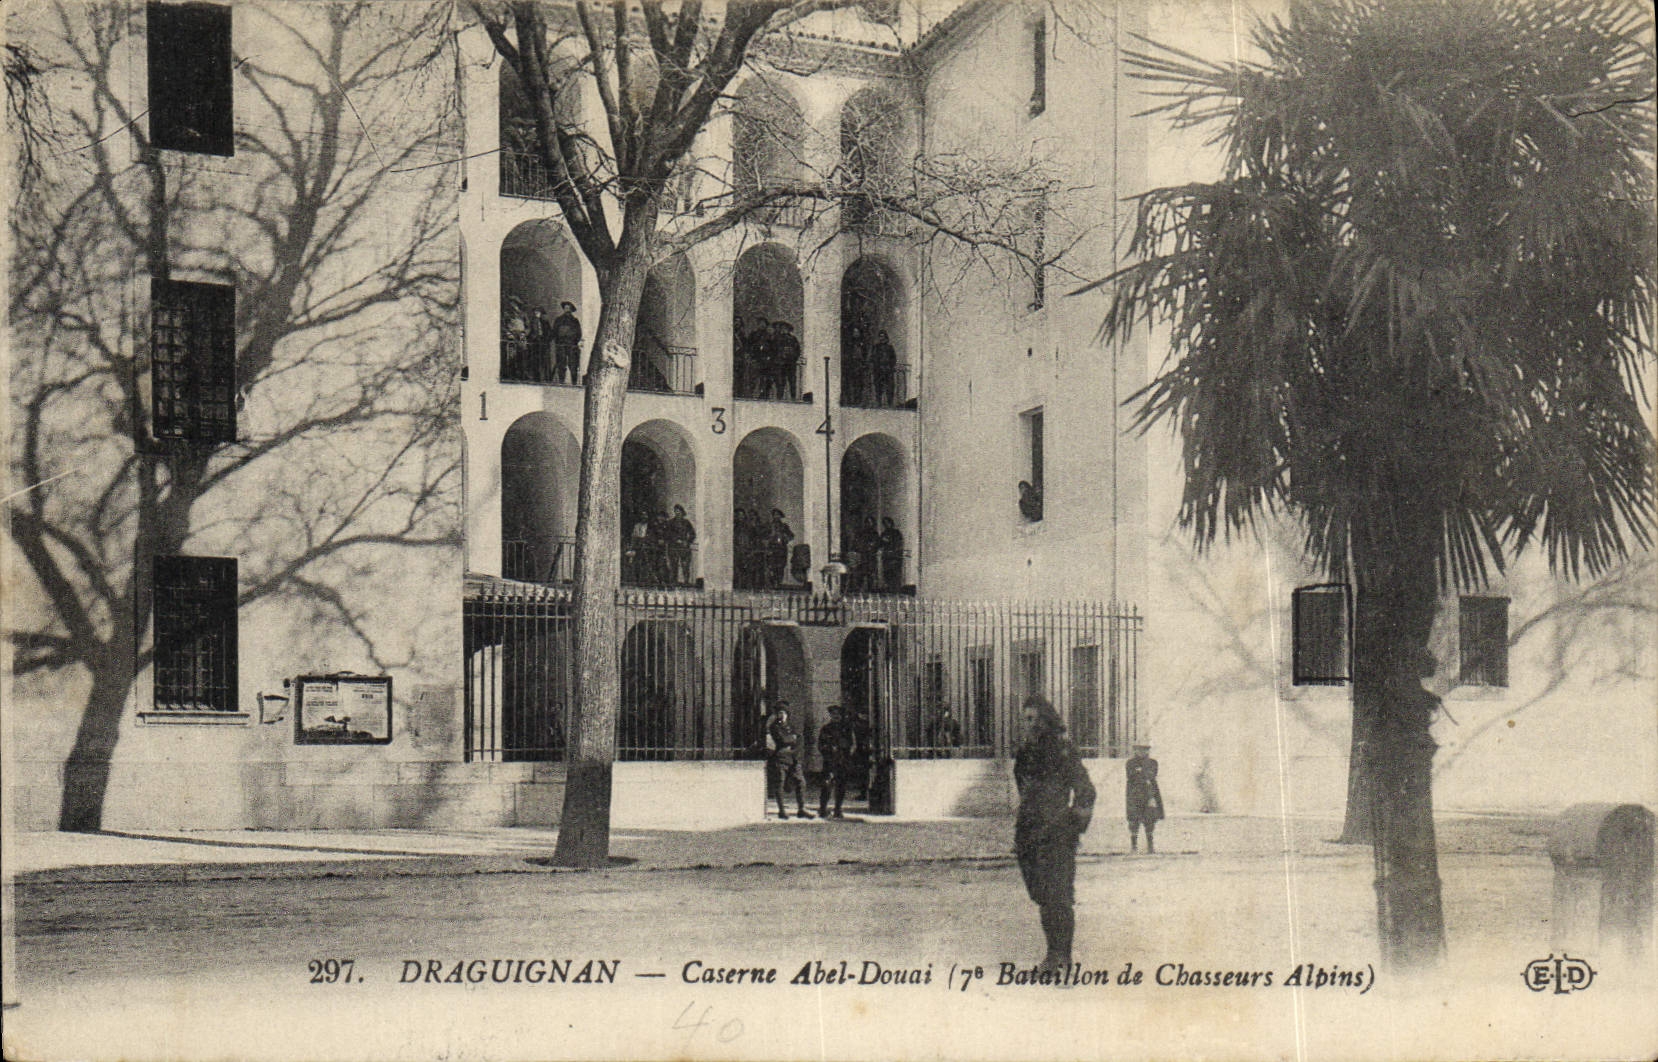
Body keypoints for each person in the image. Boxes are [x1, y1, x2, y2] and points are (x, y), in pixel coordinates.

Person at [1014, 696, 1095, 973]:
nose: (1029, 725)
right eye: (1025, 719)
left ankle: (1060, 956)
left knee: (1058, 895)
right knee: (1041, 893)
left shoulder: (1063, 750)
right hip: (1029, 831)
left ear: (1047, 720)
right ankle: (1054, 953)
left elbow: (1086, 789)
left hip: (1058, 832)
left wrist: (1073, 821)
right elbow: (1022, 788)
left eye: (1034, 719)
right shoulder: (1025, 752)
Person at [766, 703, 812, 820]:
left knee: (801, 782)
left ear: (787, 714)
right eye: (779, 713)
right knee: (780, 783)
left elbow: (800, 740)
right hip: (781, 758)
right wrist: (792, 739)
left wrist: (794, 746)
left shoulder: (792, 726)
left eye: (783, 713)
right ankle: (782, 810)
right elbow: (782, 739)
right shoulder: (774, 727)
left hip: (793, 758)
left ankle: (801, 809)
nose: (781, 715)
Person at [816, 705, 856, 819]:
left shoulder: (847, 729)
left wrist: (847, 755)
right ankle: (823, 809)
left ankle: (838, 809)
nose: (836, 716)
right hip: (830, 761)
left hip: (842, 761)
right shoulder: (826, 729)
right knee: (826, 785)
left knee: (841, 786)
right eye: (833, 714)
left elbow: (853, 744)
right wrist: (828, 752)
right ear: (830, 715)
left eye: (838, 714)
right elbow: (820, 745)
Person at [1125, 742, 1164, 854]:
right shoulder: (1130, 763)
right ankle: (1134, 846)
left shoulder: (1153, 762)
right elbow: (1130, 775)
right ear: (1135, 751)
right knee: (1134, 820)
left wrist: (1140, 772)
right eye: (1139, 750)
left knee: (1150, 819)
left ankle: (1150, 846)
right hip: (1134, 794)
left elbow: (1152, 774)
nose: (1142, 752)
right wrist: (1143, 774)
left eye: (1145, 750)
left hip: (1150, 794)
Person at [552, 301, 583, 385]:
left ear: (571, 310)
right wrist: (558, 341)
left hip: (572, 345)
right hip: (561, 345)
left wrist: (575, 342)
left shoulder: (575, 321)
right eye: (565, 308)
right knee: (561, 364)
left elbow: (579, 333)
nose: (567, 310)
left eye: (568, 308)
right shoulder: (558, 320)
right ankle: (561, 382)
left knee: (573, 364)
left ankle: (574, 382)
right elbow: (554, 332)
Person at [666, 504, 696, 586]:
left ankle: (686, 582)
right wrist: (676, 540)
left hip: (684, 547)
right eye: (676, 512)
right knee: (674, 565)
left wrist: (688, 541)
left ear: (682, 512)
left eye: (679, 512)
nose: (677, 513)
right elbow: (668, 534)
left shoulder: (686, 523)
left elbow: (692, 534)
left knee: (685, 565)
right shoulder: (670, 523)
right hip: (673, 547)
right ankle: (673, 582)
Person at [771, 321, 801, 400]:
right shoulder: (777, 338)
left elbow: (797, 350)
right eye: (782, 328)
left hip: (791, 364)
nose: (784, 330)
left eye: (786, 328)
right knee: (780, 382)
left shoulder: (793, 339)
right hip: (780, 364)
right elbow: (773, 350)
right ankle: (779, 398)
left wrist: (793, 356)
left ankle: (793, 398)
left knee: (792, 382)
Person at [765, 508, 793, 590]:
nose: (776, 517)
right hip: (772, 548)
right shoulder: (769, 526)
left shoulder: (784, 526)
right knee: (771, 566)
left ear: (781, 516)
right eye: (775, 515)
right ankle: (772, 583)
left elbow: (791, 536)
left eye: (778, 515)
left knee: (780, 566)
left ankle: (778, 583)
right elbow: (764, 536)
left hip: (781, 549)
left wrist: (785, 538)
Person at [870, 329, 897, 406]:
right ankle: (879, 402)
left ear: (886, 337)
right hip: (878, 370)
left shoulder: (889, 347)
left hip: (887, 370)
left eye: (883, 336)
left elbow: (893, 358)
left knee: (889, 387)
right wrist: (875, 366)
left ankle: (889, 403)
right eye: (880, 336)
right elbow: (872, 358)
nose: (882, 338)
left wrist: (890, 366)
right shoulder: (876, 347)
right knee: (878, 387)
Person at [878, 517, 904, 591]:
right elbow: (880, 544)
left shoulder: (896, 533)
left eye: (888, 523)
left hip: (895, 556)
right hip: (887, 556)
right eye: (885, 524)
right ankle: (889, 589)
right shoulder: (884, 534)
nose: (887, 525)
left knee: (895, 574)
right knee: (887, 574)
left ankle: (896, 589)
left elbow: (899, 543)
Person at [530, 307, 554, 382]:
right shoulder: (532, 322)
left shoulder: (545, 322)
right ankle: (536, 379)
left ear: (541, 313)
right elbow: (530, 332)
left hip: (544, 343)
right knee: (536, 361)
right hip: (536, 343)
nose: (536, 313)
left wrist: (547, 340)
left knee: (545, 361)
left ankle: (547, 379)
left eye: (538, 312)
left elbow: (551, 333)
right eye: (535, 312)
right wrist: (532, 337)